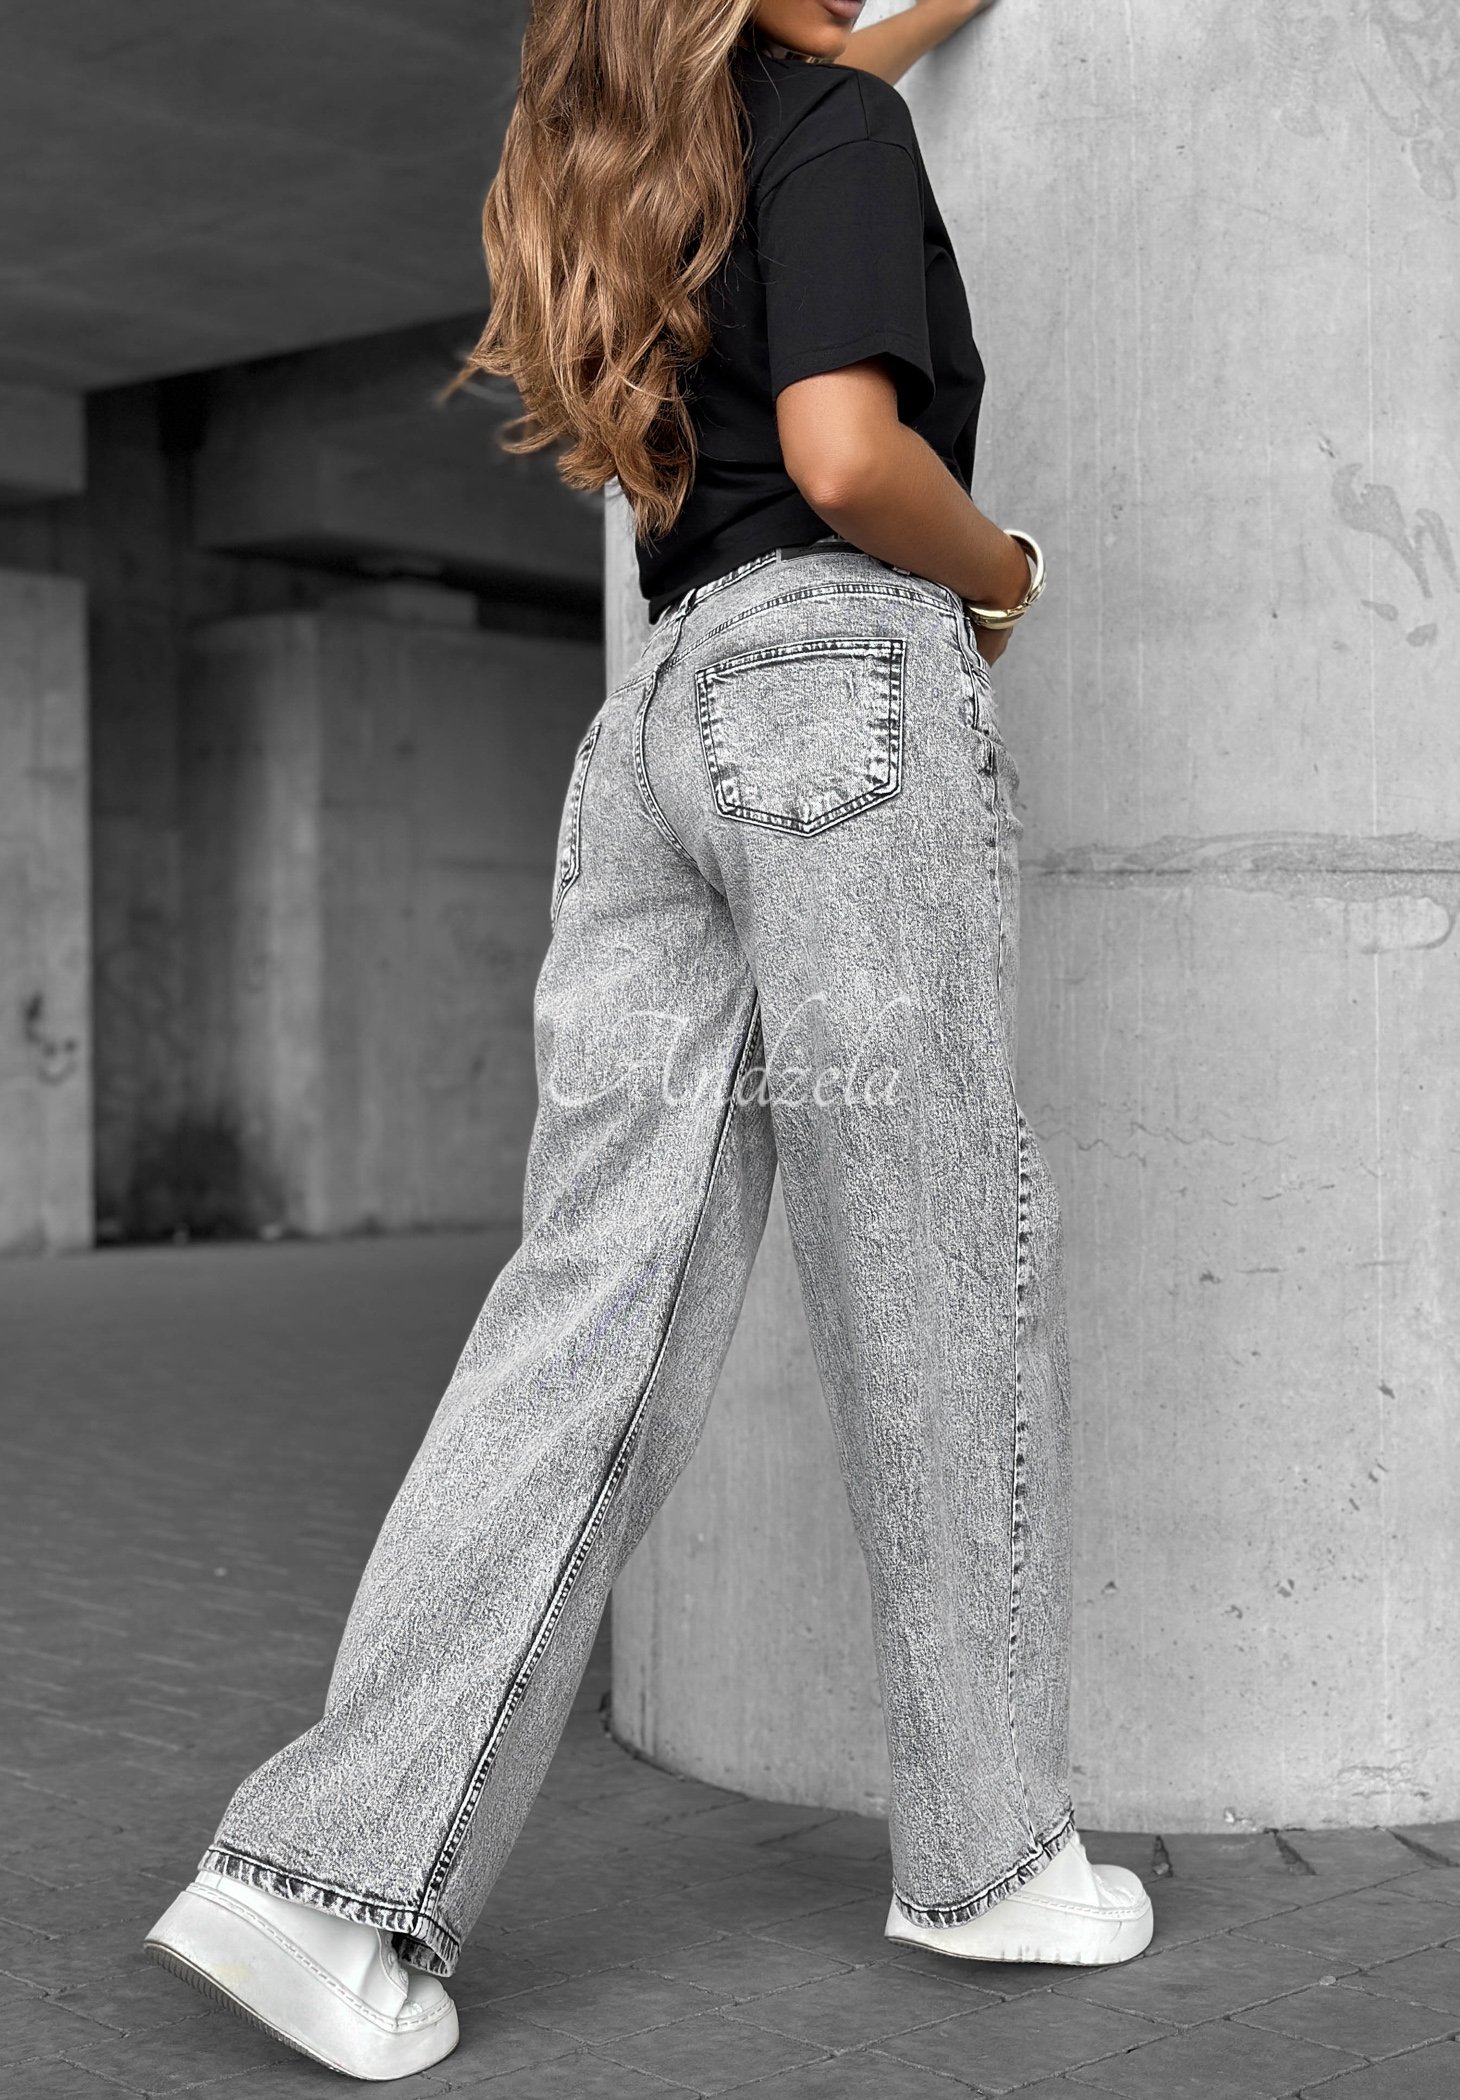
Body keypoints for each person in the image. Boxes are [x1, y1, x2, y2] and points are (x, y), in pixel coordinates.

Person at [143, 0, 1153, 2078]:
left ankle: (322, 1881)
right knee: (935, 1269)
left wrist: (886, 35)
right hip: (841, 690)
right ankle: (989, 1859)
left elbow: (796, 88)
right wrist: (1005, 577)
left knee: (588, 1304)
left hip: (658, 735)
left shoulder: (623, 158)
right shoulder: (825, 127)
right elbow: (847, 458)